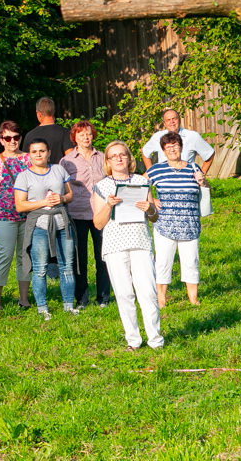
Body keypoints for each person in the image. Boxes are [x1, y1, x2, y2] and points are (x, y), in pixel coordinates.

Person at [93, 141, 163, 350]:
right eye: (114, 156)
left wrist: (149, 207)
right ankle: (133, 339)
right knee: (124, 294)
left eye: (122, 155)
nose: (119, 159)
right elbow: (97, 223)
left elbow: (154, 217)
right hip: (115, 245)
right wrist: (108, 205)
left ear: (129, 158)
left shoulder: (142, 181)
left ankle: (155, 339)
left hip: (140, 242)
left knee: (148, 292)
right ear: (108, 161)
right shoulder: (101, 186)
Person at [14, 139, 77, 320]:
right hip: (39, 225)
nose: (39, 154)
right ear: (29, 155)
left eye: (42, 151)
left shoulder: (58, 169)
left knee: (67, 266)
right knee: (40, 268)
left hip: (62, 222)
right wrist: (44, 202)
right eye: (34, 152)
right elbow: (20, 205)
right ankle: (42, 307)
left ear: (49, 152)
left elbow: (70, 194)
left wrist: (61, 199)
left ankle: (68, 305)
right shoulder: (24, 176)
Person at [147, 132, 206, 307]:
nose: (173, 149)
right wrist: (151, 199)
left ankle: (193, 299)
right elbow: (141, 185)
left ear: (181, 147)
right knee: (164, 262)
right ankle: (161, 299)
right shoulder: (156, 170)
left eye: (176, 145)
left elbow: (206, 189)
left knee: (191, 262)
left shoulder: (194, 168)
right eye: (168, 147)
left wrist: (203, 182)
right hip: (165, 224)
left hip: (190, 224)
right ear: (163, 151)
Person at [60, 120, 110, 308]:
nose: (86, 137)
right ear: (75, 137)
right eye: (81, 134)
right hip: (77, 212)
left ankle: (103, 297)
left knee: (103, 256)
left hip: (100, 213)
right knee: (79, 258)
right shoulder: (67, 161)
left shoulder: (103, 157)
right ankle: (81, 298)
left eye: (88, 133)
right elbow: (62, 187)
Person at [0, 121, 32, 310]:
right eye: (8, 138)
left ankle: (24, 298)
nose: (12, 141)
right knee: (4, 255)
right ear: (1, 140)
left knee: (25, 256)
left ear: (20, 138)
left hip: (28, 214)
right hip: (4, 214)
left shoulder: (30, 159)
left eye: (15, 137)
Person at [140, 108, 215, 172]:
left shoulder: (192, 136)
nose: (171, 122)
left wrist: (202, 172)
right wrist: (151, 172)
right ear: (164, 123)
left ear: (179, 120)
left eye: (174, 119)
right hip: (164, 181)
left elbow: (209, 154)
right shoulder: (158, 137)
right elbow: (145, 152)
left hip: (186, 180)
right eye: (168, 120)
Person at [22, 97, 73, 164]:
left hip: (38, 173)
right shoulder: (65, 132)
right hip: (60, 173)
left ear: (39, 114)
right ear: (53, 111)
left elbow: (26, 161)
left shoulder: (30, 135)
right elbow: (71, 158)